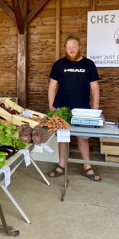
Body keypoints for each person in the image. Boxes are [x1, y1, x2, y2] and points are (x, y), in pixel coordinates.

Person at [48, 35, 101, 181]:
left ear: (80, 47)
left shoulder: (89, 64)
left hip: (82, 109)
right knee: (63, 138)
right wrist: (51, 106)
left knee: (82, 137)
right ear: (65, 48)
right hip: (61, 108)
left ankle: (87, 167)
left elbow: (95, 87)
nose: (71, 50)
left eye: (74, 47)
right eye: (68, 47)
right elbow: (52, 86)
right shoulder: (59, 64)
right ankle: (61, 165)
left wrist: (95, 109)